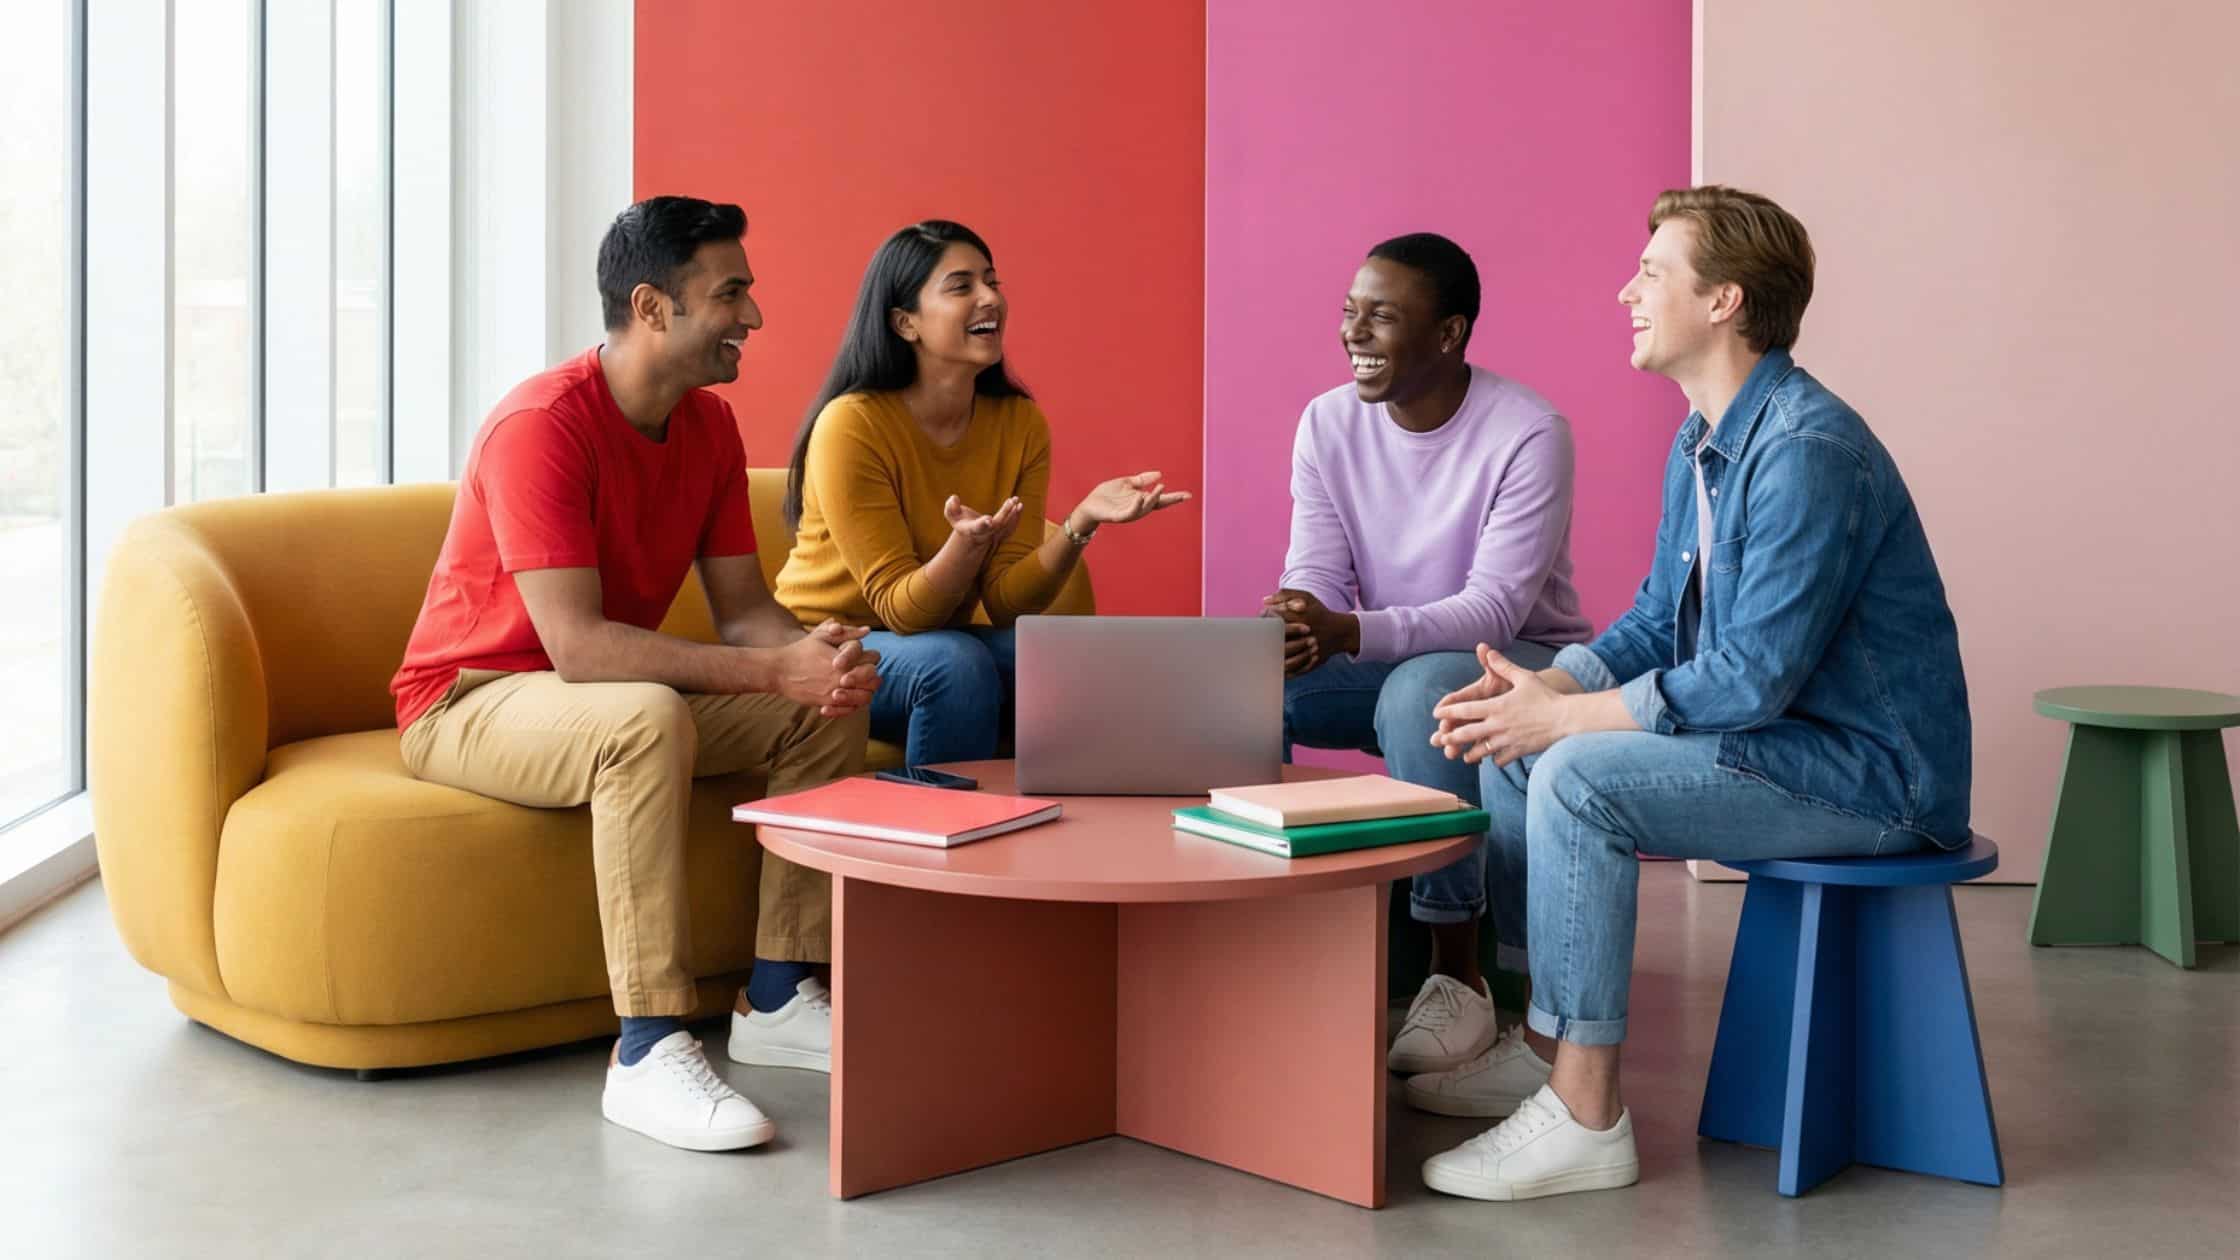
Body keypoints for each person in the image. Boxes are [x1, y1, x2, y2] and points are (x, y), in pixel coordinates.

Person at [1410, 186, 1971, 1201]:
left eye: (1651, 274)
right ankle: (1547, 1053)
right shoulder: (1705, 438)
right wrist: (1542, 686)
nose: (1625, 292)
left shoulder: (1805, 451)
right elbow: (1654, 623)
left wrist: (1564, 718)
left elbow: (1748, 677)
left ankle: (1585, 1118)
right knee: (1519, 743)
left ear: (1723, 301)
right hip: (1784, 746)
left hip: (1873, 776)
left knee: (1576, 774)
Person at [390, 196, 881, 1153]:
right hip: (468, 700)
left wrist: (810, 661)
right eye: (730, 292)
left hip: (585, 699)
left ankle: (779, 996)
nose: (755, 315)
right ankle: (647, 1048)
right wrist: (765, 670)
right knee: (646, 717)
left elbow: (744, 611)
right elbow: (576, 645)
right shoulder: (541, 425)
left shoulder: (709, 429)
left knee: (817, 705)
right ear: (653, 307)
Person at [1266, 233, 1590, 1080]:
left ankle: (1458, 971)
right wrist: (1300, 622)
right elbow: (1316, 570)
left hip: (1519, 662)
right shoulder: (1328, 422)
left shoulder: (1529, 432)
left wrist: (1349, 631)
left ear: (1448, 335)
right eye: (1349, 312)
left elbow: (1494, 608)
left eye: (1382, 317)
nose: (1354, 334)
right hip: (1380, 651)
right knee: (1247, 690)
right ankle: (1259, 936)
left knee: (1418, 695)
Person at [774, 220, 1190, 766]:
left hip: (941, 636)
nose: (990, 298)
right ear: (905, 323)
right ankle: (938, 841)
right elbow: (901, 612)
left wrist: (1080, 523)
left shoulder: (1019, 424)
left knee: (1065, 661)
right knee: (954, 664)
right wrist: (963, 550)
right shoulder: (852, 425)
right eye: (961, 285)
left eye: (992, 281)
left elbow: (1005, 605)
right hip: (832, 641)